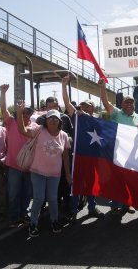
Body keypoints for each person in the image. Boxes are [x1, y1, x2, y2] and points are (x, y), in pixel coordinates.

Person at [16, 102, 71, 237]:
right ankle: (33, 223)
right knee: (39, 199)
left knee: (53, 199)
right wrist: (19, 112)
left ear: (59, 122)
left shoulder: (64, 136)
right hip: (37, 172)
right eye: (50, 118)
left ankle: (54, 220)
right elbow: (22, 130)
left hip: (55, 174)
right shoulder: (39, 130)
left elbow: (65, 157)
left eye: (55, 118)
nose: (52, 120)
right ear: (46, 120)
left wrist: (68, 174)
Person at [61, 74, 105, 221]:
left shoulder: (98, 120)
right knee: (76, 184)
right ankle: (73, 211)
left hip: (93, 158)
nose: (86, 107)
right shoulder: (77, 116)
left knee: (92, 184)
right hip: (78, 156)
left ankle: (92, 208)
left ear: (93, 107)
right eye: (83, 105)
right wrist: (64, 85)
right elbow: (67, 103)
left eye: (89, 105)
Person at [99, 78, 138, 216]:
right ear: (122, 104)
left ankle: (129, 203)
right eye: (126, 102)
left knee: (130, 178)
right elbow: (106, 103)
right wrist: (103, 87)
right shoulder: (117, 113)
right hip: (117, 151)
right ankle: (115, 202)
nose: (129, 104)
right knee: (116, 178)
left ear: (134, 105)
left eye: (131, 102)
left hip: (131, 153)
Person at [0, 84, 38, 228]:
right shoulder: (11, 123)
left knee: (27, 193)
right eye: (23, 112)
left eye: (28, 113)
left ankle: (24, 214)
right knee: (14, 193)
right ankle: (14, 217)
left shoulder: (34, 127)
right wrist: (3, 92)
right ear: (18, 113)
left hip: (29, 167)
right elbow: (3, 109)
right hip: (14, 167)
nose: (26, 115)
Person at [36, 96, 73, 215]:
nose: (52, 108)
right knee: (50, 190)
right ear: (46, 107)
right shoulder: (40, 120)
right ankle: (47, 212)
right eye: (49, 106)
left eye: (54, 106)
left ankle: (67, 209)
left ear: (58, 106)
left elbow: (72, 136)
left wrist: (65, 138)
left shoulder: (65, 118)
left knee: (65, 185)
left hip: (63, 159)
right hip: (46, 162)